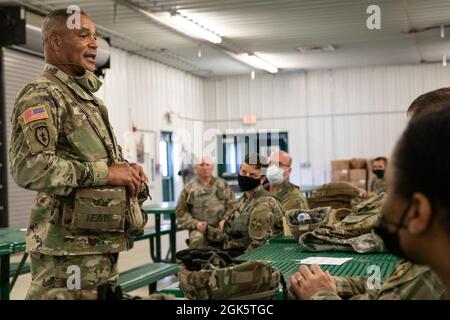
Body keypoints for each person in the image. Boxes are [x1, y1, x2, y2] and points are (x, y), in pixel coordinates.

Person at [9, 9, 148, 299]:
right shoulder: (42, 94)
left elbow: (98, 162)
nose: (94, 44)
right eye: (83, 35)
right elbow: (30, 167)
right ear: (56, 42)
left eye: (95, 37)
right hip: (66, 254)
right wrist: (106, 173)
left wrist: (126, 169)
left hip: (96, 245)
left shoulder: (86, 100)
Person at [289, 107, 450, 300]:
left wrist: (320, 296)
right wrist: (332, 286)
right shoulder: (432, 262)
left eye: (390, 191)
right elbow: (389, 291)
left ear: (417, 212)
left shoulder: (432, 277)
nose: (381, 205)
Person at [221, 154, 284, 256]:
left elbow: (257, 246)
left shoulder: (264, 204)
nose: (246, 177)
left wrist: (232, 262)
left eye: (252, 175)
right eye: (243, 172)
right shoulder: (242, 200)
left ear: (262, 178)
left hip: (250, 261)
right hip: (232, 252)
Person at [175, 156, 236, 248]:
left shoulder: (223, 185)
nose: (205, 167)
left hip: (221, 226)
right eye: (201, 165)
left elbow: (233, 206)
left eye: (207, 165)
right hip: (200, 229)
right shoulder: (189, 188)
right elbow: (180, 212)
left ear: (212, 168)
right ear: (195, 168)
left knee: (235, 243)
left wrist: (225, 220)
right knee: (197, 240)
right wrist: (195, 224)